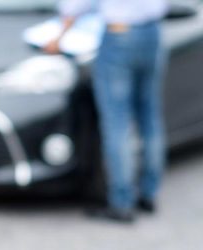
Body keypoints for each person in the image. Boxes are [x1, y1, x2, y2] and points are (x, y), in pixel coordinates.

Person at [45, 0, 168, 223]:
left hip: (119, 35)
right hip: (152, 32)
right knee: (149, 118)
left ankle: (122, 203)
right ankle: (149, 193)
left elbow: (75, 5)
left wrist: (60, 36)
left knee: (117, 122)